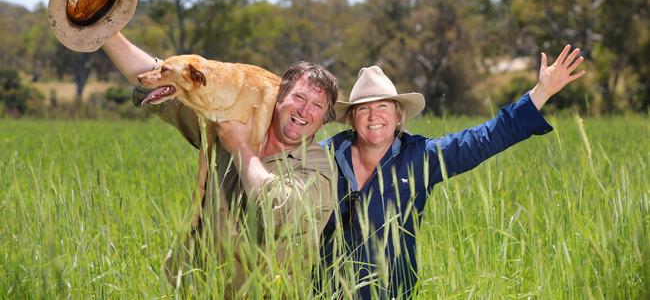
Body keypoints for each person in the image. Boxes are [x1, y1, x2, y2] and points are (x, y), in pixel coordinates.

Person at [318, 45, 586, 299]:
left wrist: (542, 91)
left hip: (391, 293)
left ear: (398, 116)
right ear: (352, 118)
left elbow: (483, 139)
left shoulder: (420, 157)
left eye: (382, 106)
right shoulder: (323, 158)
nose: (373, 116)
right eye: (364, 108)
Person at [100, 32, 339, 296]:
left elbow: (280, 214)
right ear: (278, 97)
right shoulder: (227, 124)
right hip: (196, 287)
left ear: (325, 119)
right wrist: (106, 31)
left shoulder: (318, 166)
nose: (305, 111)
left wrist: (240, 149)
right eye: (299, 98)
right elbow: (158, 76)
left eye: (318, 106)